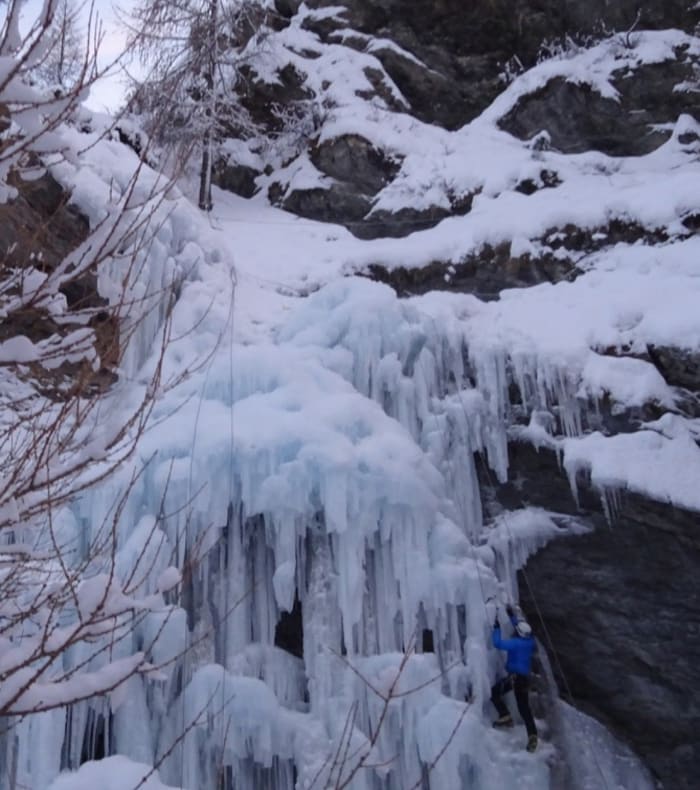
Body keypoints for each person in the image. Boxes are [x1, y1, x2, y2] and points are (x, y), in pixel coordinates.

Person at [491, 604, 538, 752]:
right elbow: (519, 626)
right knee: (524, 708)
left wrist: (496, 628)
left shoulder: (516, 643)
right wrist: (512, 616)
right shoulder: (530, 641)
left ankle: (505, 715)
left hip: (515, 679)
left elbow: (497, 643)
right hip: (523, 678)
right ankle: (532, 735)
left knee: (494, 693)